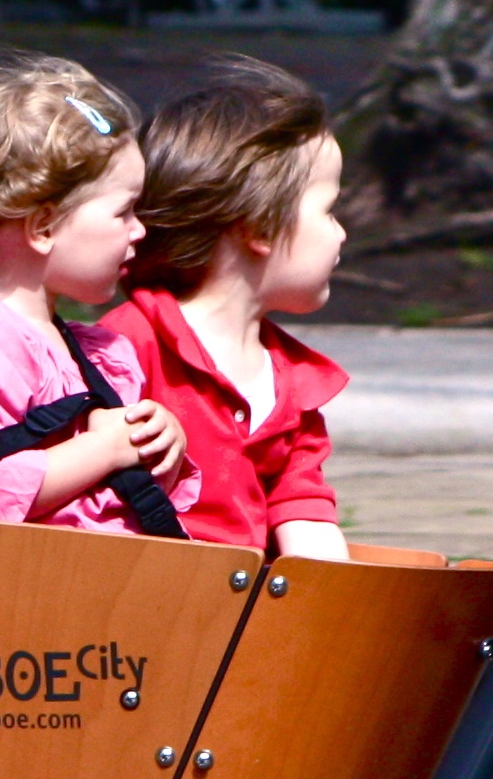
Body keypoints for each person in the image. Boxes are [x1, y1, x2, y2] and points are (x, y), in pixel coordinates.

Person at [0, 55, 197, 532]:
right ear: (43, 225)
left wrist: (159, 446)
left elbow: (113, 496)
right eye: (124, 212)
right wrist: (106, 448)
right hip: (20, 590)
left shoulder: (91, 352)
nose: (139, 231)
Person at [102, 58, 351, 559]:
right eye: (328, 210)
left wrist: (337, 603)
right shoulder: (127, 345)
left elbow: (302, 508)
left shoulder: (296, 382)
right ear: (258, 227)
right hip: (143, 607)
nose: (341, 232)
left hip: (241, 612)